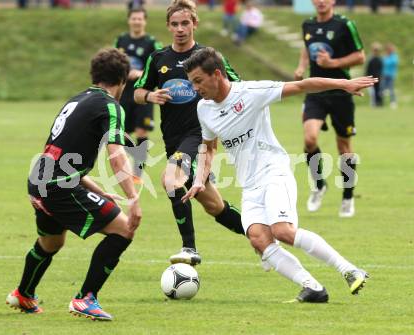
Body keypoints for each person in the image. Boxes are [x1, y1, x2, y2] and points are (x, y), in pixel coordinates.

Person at [182, 47, 374, 302]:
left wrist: (344, 84)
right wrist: (198, 180)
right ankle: (313, 288)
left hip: (274, 170)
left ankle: (350, 270)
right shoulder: (204, 108)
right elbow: (208, 147)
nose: (195, 88)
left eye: (198, 81)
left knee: (282, 230)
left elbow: (303, 85)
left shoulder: (251, 93)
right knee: (258, 238)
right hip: (249, 183)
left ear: (216, 74)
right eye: (192, 83)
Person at [6, 48, 142, 321]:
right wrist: (134, 198)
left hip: (39, 181)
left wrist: (98, 189)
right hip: (59, 186)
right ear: (123, 81)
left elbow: (60, 153)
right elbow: (116, 154)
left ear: (94, 75)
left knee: (51, 242)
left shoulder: (78, 99)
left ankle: (23, 294)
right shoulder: (111, 106)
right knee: (124, 229)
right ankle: (85, 298)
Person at [134, 0, 245, 266]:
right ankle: (262, 236)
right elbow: (137, 93)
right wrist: (151, 95)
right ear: (168, 26)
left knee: (171, 179)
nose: (180, 29)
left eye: (185, 23)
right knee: (214, 206)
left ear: (195, 23)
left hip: (199, 135)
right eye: (175, 24)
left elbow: (237, 85)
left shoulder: (208, 56)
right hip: (172, 140)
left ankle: (189, 248)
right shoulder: (158, 59)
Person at [294, 0, 365, 218]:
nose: (321, 1)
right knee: (309, 140)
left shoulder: (345, 25)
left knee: (344, 147)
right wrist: (301, 68)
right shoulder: (308, 25)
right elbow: (307, 49)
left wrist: (332, 63)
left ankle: (347, 196)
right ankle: (319, 184)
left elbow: (360, 56)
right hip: (316, 92)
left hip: (342, 93)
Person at [114, 8, 163, 183]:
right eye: (134, 18)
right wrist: (124, 72)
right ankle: (132, 162)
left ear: (145, 21)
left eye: (140, 19)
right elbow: (113, 62)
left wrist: (141, 73)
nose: (136, 21)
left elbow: (159, 64)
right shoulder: (121, 40)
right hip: (123, 94)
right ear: (129, 20)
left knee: (142, 131)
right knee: (123, 133)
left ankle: (138, 173)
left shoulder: (151, 43)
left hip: (143, 93)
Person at [381, 43, 399, 109]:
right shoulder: (385, 56)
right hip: (384, 75)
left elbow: (393, 63)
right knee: (382, 89)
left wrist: (386, 60)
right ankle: (381, 103)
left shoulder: (394, 56)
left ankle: (393, 102)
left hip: (391, 75)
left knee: (391, 89)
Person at [365, 42, 383, 107]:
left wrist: (380, 76)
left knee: (378, 91)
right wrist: (367, 77)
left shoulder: (379, 59)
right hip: (371, 77)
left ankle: (379, 103)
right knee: (372, 92)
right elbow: (368, 69)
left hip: (378, 77)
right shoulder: (371, 59)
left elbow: (381, 69)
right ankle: (373, 103)